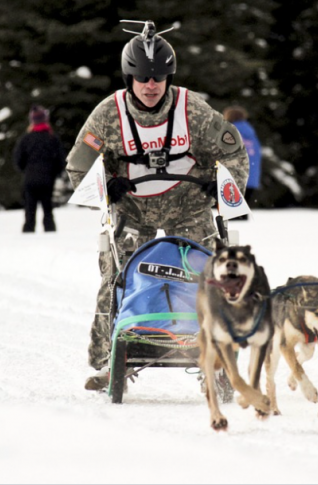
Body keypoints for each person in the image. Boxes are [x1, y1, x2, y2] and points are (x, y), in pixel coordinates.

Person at [66, 21, 249, 390]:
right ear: (128, 78)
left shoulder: (192, 109)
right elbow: (78, 165)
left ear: (169, 77)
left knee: (212, 272)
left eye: (158, 78)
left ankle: (218, 358)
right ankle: (106, 359)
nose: (151, 86)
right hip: (133, 207)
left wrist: (223, 187)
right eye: (143, 78)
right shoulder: (108, 114)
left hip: (188, 204)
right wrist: (105, 189)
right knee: (115, 275)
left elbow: (233, 152)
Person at [14, 105, 66, 232]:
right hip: (48, 179)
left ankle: (28, 234)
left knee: (29, 210)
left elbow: (17, 159)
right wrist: (55, 173)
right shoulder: (52, 138)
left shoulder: (26, 139)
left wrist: (26, 171)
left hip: (30, 179)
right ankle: (50, 233)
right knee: (48, 209)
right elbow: (61, 159)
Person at [223, 105, 262, 219]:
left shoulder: (230, 131)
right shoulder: (251, 133)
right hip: (251, 175)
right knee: (243, 210)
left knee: (234, 212)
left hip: (235, 175)